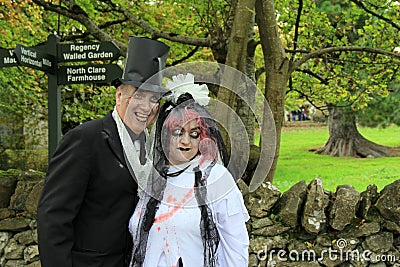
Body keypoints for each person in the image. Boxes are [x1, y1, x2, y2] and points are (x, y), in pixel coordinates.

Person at [37, 36, 169, 267]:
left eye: (153, 99)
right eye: (138, 95)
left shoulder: (154, 150)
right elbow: (53, 216)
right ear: (119, 96)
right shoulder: (86, 139)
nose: (146, 107)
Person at [128, 73, 250, 267]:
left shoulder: (216, 178)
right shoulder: (154, 179)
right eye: (178, 133)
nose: (186, 141)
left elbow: (235, 249)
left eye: (194, 134)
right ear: (165, 135)